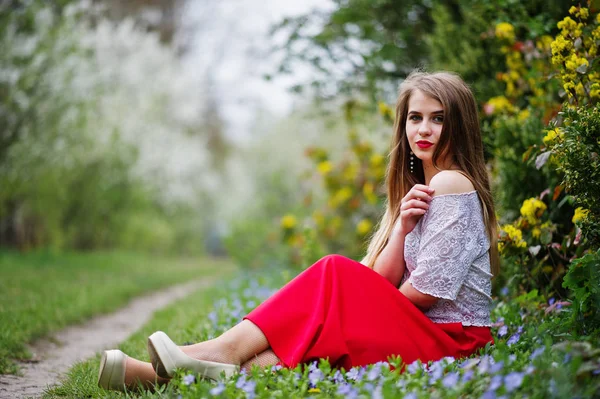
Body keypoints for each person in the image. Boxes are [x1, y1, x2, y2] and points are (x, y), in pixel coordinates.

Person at [97, 70, 499, 392]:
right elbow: (382, 282)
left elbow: (425, 294)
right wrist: (400, 230)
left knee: (334, 273)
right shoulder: (418, 193)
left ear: (458, 125)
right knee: (318, 327)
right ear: (403, 125)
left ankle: (218, 352)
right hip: (420, 334)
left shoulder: (451, 183)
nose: (424, 129)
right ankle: (158, 376)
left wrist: (358, 302)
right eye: (415, 117)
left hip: (452, 345)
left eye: (438, 118)